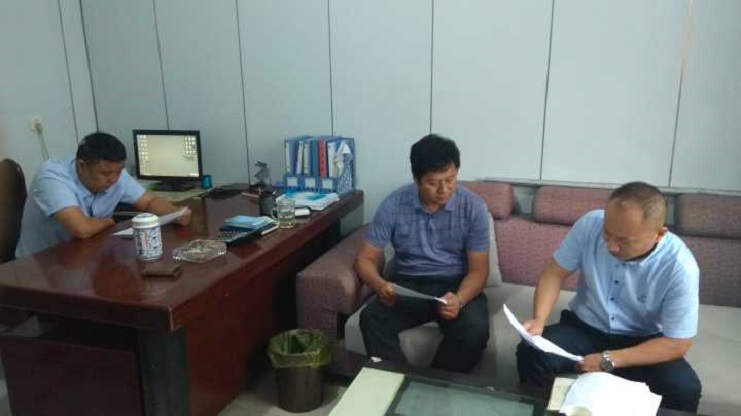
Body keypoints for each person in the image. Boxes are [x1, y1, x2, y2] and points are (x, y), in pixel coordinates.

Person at [516, 182, 701, 412]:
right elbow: (554, 273)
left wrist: (609, 359)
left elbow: (677, 344)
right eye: (607, 234)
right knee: (531, 351)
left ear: (659, 234)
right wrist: (539, 319)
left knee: (684, 388)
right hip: (584, 329)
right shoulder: (589, 224)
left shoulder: (680, 267)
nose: (612, 247)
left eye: (624, 241)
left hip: (643, 341)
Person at [354, 134, 490, 373]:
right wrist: (380, 285)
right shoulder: (394, 204)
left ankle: (432, 385)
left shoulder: (474, 207)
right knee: (371, 319)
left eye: (450, 179)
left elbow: (479, 271)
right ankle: (398, 383)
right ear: (417, 179)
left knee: (475, 331)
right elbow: (364, 259)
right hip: (409, 285)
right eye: (433, 182)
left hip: (455, 285)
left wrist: (459, 299)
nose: (444, 189)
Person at [16, 132, 191, 257]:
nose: (113, 179)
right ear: (81, 166)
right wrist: (109, 222)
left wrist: (175, 213)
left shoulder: (115, 173)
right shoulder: (52, 176)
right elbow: (81, 229)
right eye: (105, 173)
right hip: (41, 266)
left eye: (119, 171)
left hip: (87, 256)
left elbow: (148, 201)